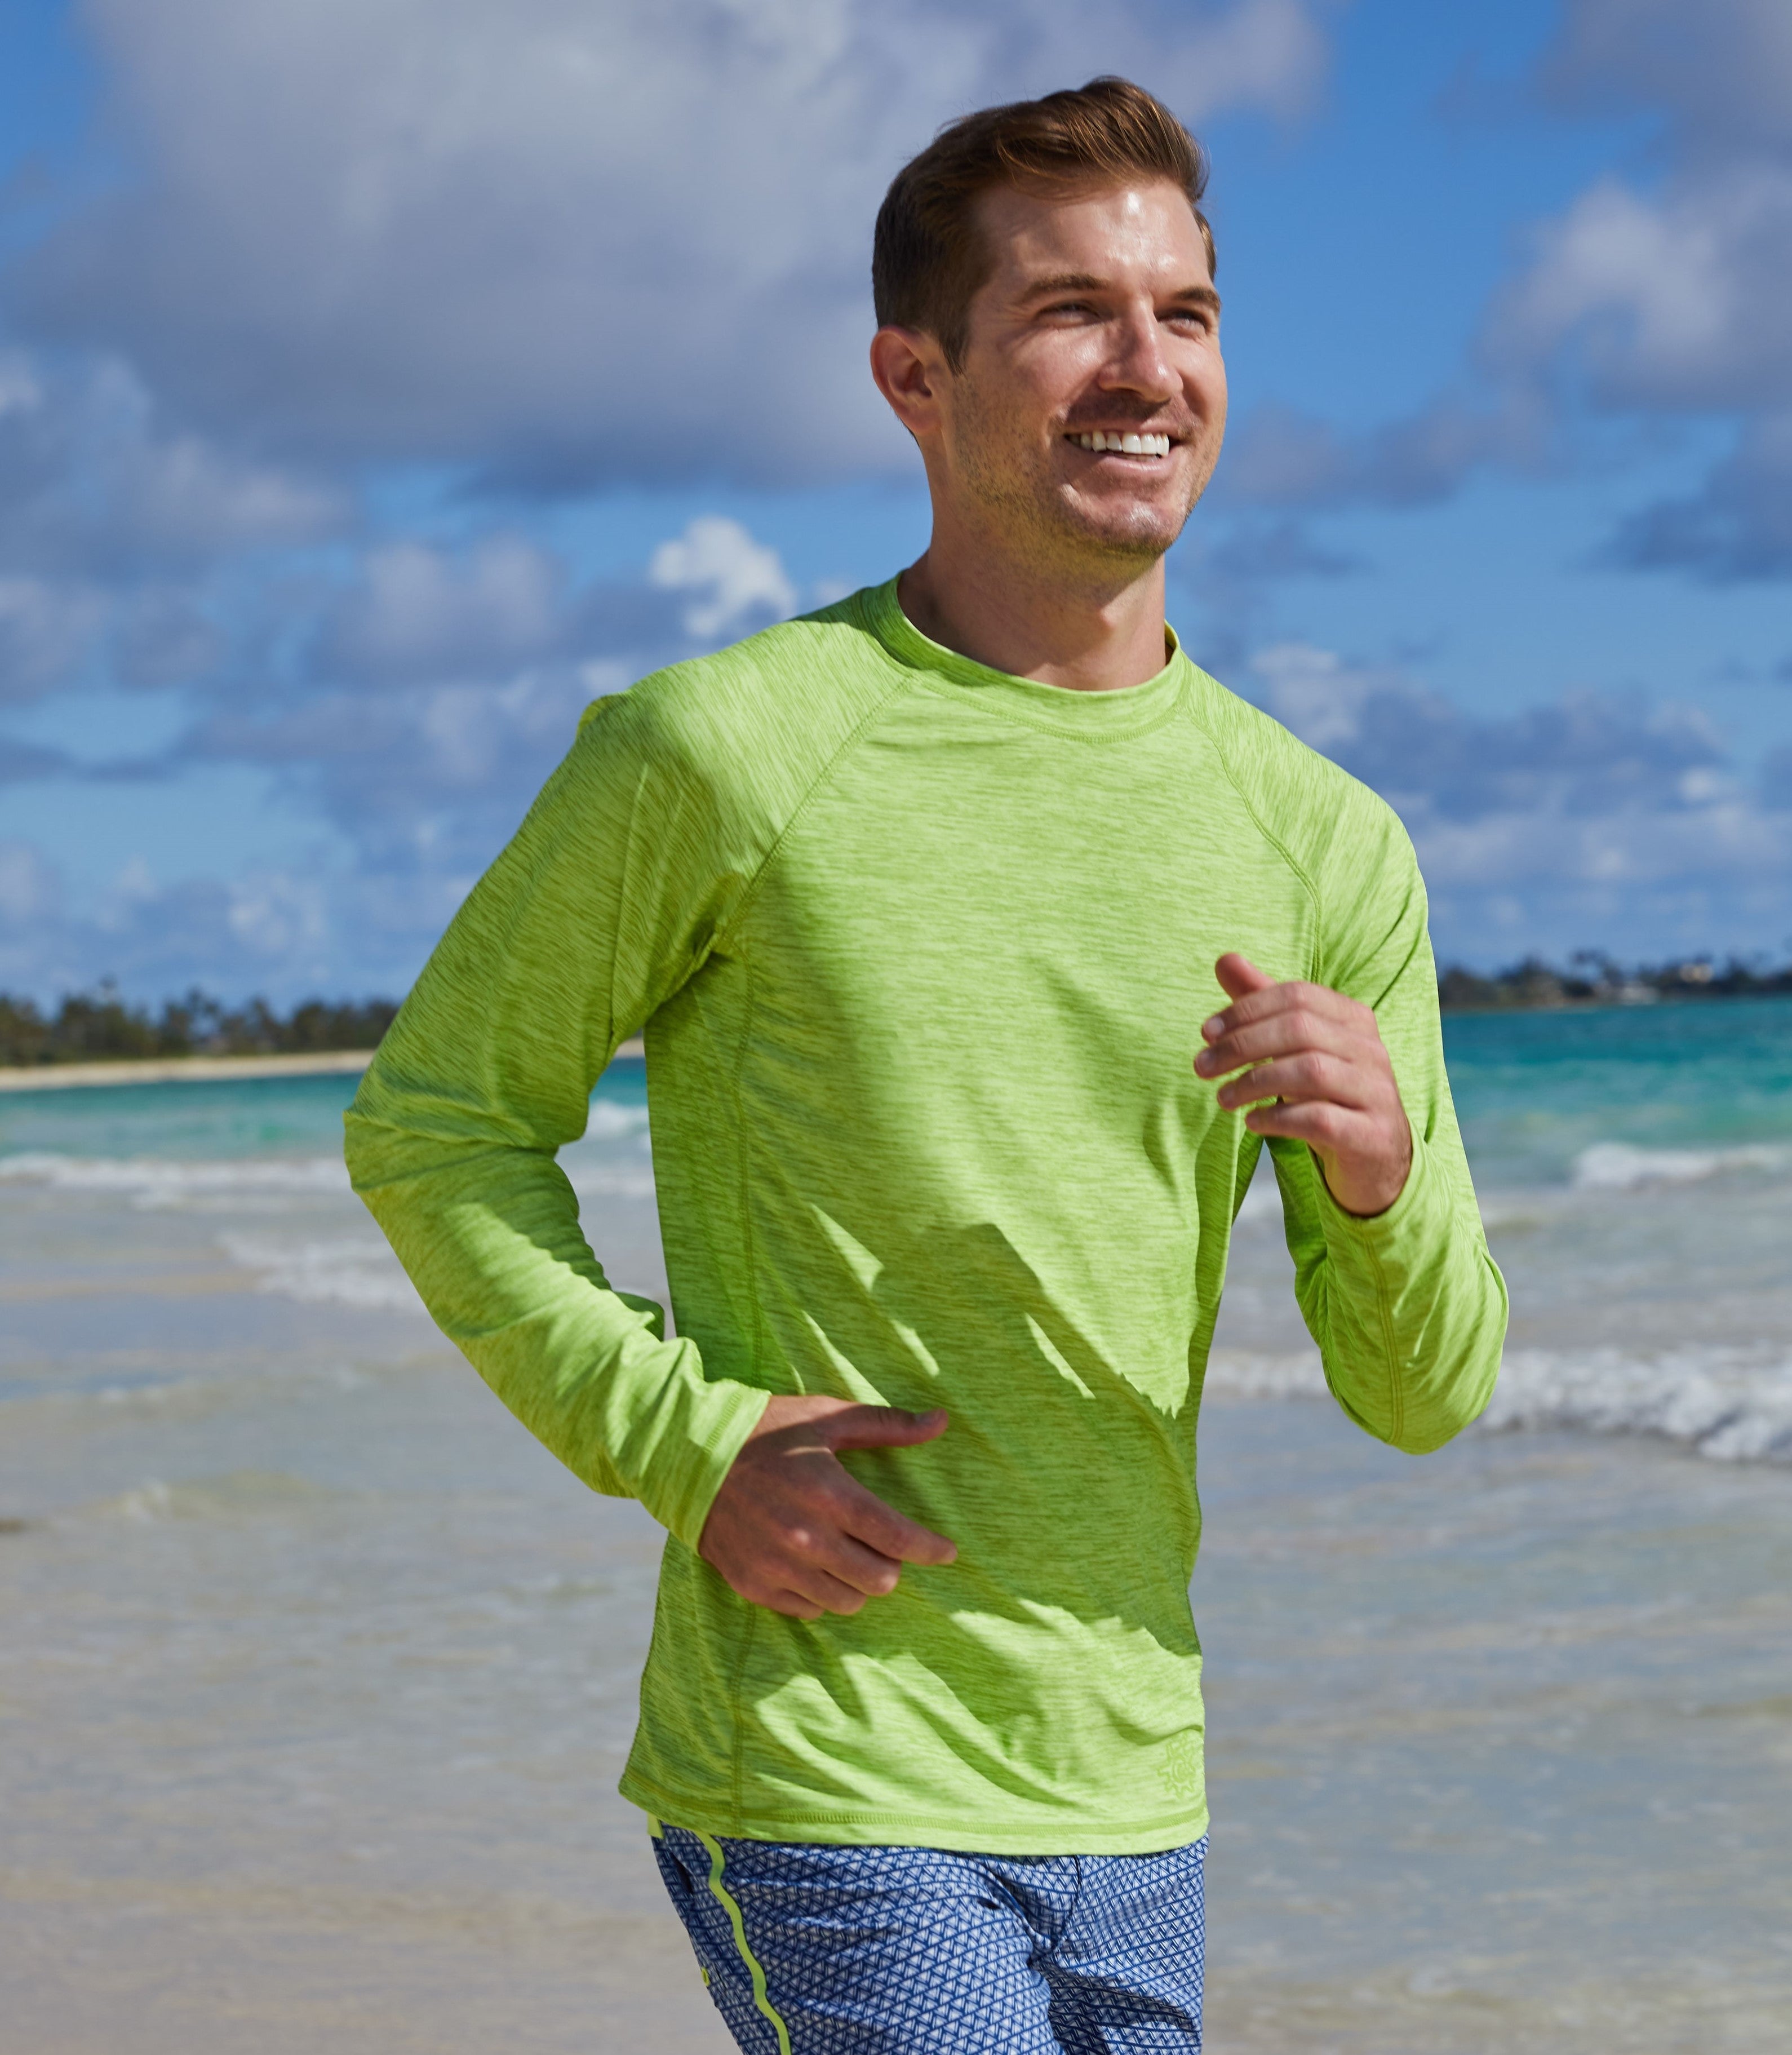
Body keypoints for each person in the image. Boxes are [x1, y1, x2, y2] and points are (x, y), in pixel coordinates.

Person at [345, 75, 1506, 2055]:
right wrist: (688, 1444)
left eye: (1189, 316)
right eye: (1071, 311)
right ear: (915, 375)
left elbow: (1426, 1396)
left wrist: (1381, 1179)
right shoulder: (722, 750)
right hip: (830, 1761)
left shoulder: (1325, 842)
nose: (1147, 368)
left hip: (1138, 1780)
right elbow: (438, 1128)